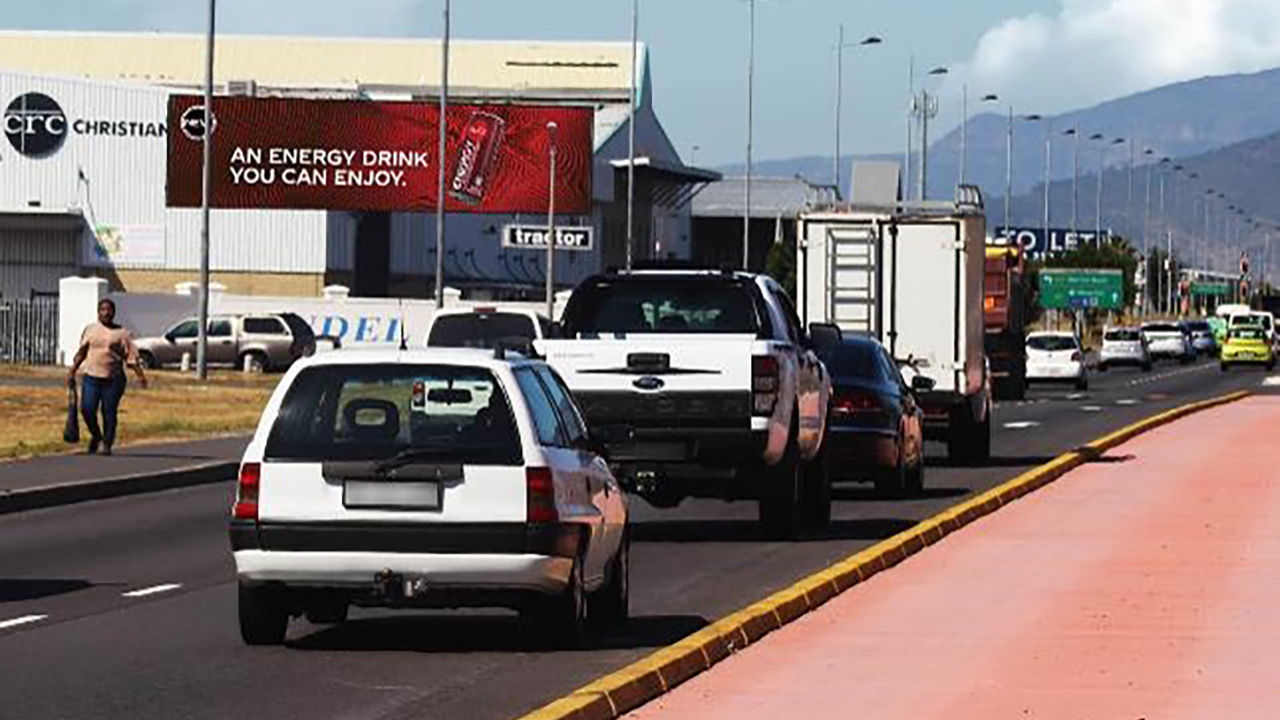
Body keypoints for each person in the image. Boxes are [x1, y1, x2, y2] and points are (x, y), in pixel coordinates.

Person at [66, 298, 148, 455]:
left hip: (113, 379)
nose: (106, 313)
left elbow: (131, 357)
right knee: (87, 409)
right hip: (91, 376)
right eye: (103, 310)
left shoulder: (121, 333)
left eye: (109, 310)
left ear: (114, 313)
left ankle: (107, 443)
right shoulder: (90, 330)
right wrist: (72, 371)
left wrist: (140, 376)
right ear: (98, 312)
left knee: (109, 412)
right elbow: (82, 352)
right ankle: (97, 436)